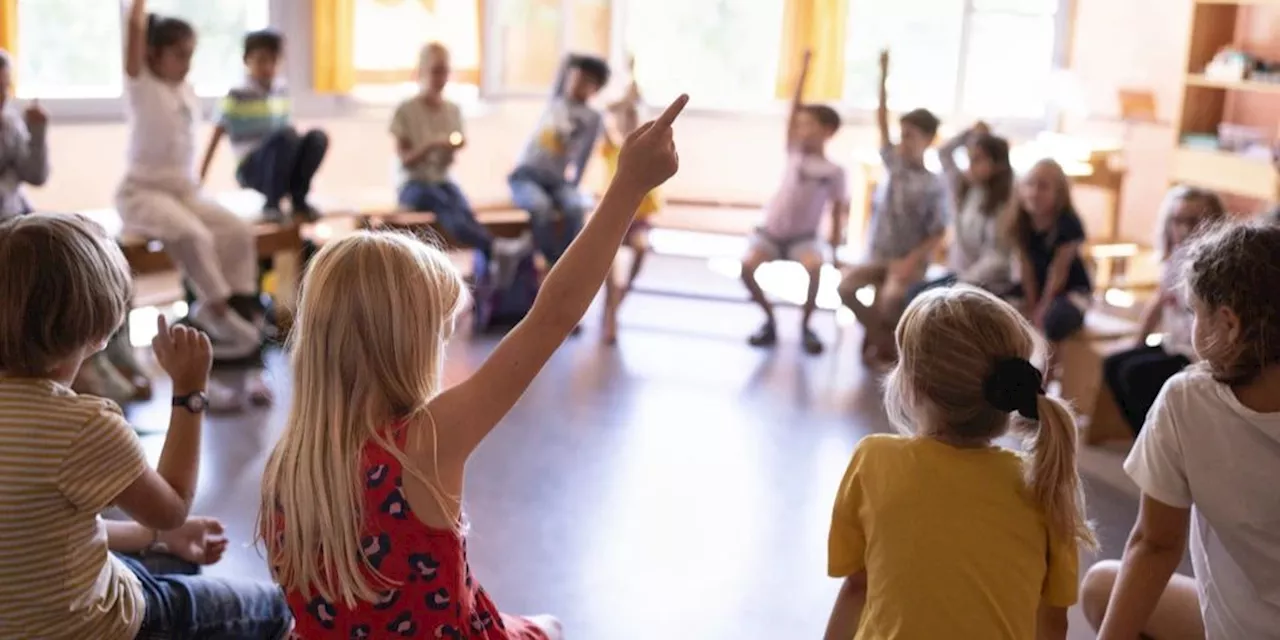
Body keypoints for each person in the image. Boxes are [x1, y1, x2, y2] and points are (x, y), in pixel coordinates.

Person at [258, 94, 688, 639]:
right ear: (406, 345)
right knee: (551, 626)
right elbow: (553, 316)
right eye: (440, 332)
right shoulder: (425, 442)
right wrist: (628, 187)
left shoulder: (289, 462)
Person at [0, 212, 291, 638]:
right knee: (271, 608)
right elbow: (172, 508)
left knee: (178, 556)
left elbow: (42, 530)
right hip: (91, 625)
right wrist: (189, 392)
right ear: (99, 332)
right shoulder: (82, 426)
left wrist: (152, 537)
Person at [824, 285, 1094, 640]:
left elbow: (857, 587)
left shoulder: (874, 461)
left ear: (912, 386)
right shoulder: (1045, 486)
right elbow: (1053, 622)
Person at [1085, 221, 1280, 640]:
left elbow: (1154, 545)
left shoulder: (1190, 400)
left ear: (1228, 324)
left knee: (1101, 587)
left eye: (1195, 312)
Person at [117, 0, 262, 360]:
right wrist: (136, 11)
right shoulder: (142, 84)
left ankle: (239, 303)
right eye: (179, 54)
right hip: (142, 192)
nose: (187, 63)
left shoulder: (184, 89)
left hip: (185, 192)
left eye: (190, 54)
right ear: (153, 54)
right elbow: (133, 34)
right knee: (192, 234)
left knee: (237, 231)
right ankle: (218, 309)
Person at [838, 50, 950, 366]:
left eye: (912, 136)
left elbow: (939, 231)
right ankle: (882, 340)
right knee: (845, 287)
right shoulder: (895, 165)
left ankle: (883, 343)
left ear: (928, 140)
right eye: (903, 135)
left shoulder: (934, 183)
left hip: (907, 260)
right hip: (879, 252)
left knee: (890, 299)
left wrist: (910, 261)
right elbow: (882, 121)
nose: (903, 141)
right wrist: (883, 76)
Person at [741, 50, 849, 355]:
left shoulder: (834, 171)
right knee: (746, 268)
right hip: (772, 234)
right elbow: (792, 110)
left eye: (809, 125)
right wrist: (803, 70)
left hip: (804, 239)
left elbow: (839, 212)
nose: (801, 129)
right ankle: (770, 321)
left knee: (816, 270)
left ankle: (805, 326)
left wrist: (836, 252)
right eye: (799, 125)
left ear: (828, 131)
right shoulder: (794, 151)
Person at [1101, 186, 1225, 436]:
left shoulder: (1218, 268)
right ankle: (1147, 436)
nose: (1184, 229)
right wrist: (1136, 342)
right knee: (1113, 363)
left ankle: (1162, 438)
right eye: (1177, 220)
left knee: (1134, 374)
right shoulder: (1175, 259)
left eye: (1194, 221)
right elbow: (1157, 304)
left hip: (1198, 354)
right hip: (1174, 344)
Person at [202, 29, 328, 222]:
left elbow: (290, 136)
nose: (267, 66)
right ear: (247, 60)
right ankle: (272, 204)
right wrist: (200, 178)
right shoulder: (237, 95)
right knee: (285, 137)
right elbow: (216, 134)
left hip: (281, 164)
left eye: (273, 60)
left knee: (317, 137)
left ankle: (299, 200)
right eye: (261, 60)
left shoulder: (281, 90)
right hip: (252, 169)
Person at [391, 42, 492, 257]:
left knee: (461, 205)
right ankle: (491, 246)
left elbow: (454, 149)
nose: (441, 78)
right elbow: (405, 160)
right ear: (422, 72)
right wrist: (430, 146)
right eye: (436, 71)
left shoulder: (452, 110)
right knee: (440, 202)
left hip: (443, 179)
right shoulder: (406, 110)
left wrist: (453, 146)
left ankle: (489, 253)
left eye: (445, 71)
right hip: (413, 183)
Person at [508, 54, 609, 266]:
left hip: (556, 181)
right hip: (527, 175)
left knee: (575, 208)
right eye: (575, 77)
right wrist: (576, 62)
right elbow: (565, 60)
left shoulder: (593, 118)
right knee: (540, 207)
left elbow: (584, 155)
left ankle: (567, 263)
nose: (577, 83)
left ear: (596, 88)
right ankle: (549, 261)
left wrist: (573, 185)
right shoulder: (556, 100)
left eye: (585, 80)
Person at [909, 121, 1016, 297]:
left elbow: (998, 258)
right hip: (961, 276)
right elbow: (943, 153)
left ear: (997, 165)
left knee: (923, 300)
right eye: (970, 159)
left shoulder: (1004, 203)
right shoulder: (966, 189)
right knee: (914, 294)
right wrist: (970, 133)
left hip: (986, 282)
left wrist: (965, 280)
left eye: (978, 160)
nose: (971, 166)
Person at [600, 54, 664, 345]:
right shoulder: (612, 147)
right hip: (613, 220)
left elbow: (637, 103)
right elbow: (607, 111)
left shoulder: (644, 148)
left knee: (641, 250)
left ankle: (618, 301)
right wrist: (626, 84)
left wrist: (634, 81)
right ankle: (611, 313)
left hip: (637, 220)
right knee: (608, 264)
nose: (627, 120)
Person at [1008, 158, 1091, 379]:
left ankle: (1043, 381)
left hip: (1070, 290)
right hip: (1038, 286)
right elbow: (1026, 270)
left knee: (1054, 319)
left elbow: (1059, 272)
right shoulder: (1020, 223)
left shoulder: (1068, 224)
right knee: (1001, 306)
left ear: (1059, 193)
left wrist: (1041, 308)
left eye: (1043, 186)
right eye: (1030, 185)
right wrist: (1032, 302)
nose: (1035, 192)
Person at [0, 49, 49, 220]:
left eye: (5, 87)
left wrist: (37, 132)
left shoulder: (9, 123)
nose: (3, 97)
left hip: (14, 215)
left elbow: (36, 177)